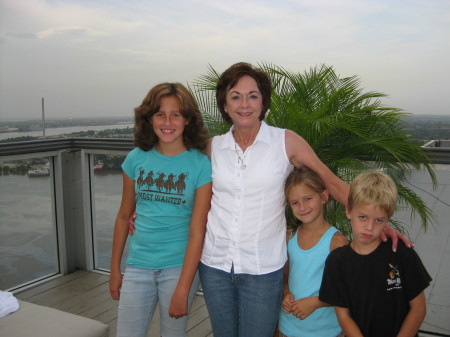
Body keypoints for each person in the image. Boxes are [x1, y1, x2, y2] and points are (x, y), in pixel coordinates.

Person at [198, 62, 411, 337]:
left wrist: (377, 221)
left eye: (253, 95)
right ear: (224, 105)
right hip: (215, 266)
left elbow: (331, 182)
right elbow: (191, 194)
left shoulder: (285, 142)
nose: (244, 104)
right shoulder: (213, 148)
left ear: (263, 102)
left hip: (263, 270)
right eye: (235, 96)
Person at [109, 82, 212, 337]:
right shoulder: (135, 159)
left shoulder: (200, 165)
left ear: (187, 119)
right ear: (149, 118)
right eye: (160, 114)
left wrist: (183, 288)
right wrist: (114, 270)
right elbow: (124, 217)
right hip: (137, 265)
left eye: (175, 114)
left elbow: (197, 233)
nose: (168, 121)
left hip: (178, 269)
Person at [319, 172, 431, 337]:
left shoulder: (401, 253)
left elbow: (418, 308)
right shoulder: (337, 262)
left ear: (388, 219)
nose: (369, 227)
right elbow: (343, 315)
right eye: (363, 217)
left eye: (378, 220)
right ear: (349, 211)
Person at [278, 167, 348, 337]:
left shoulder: (337, 242)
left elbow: (346, 289)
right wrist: (285, 293)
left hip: (326, 331)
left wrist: (316, 302)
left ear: (324, 196)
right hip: (289, 328)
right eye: (295, 202)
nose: (302, 207)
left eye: (308, 198)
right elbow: (285, 277)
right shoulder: (289, 237)